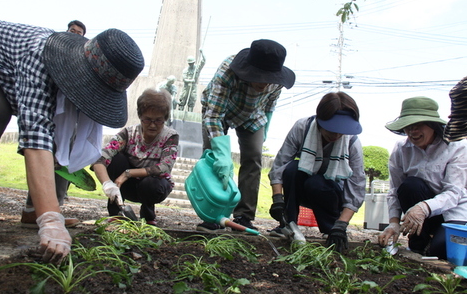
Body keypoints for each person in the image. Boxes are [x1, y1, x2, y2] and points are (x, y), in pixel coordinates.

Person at [0, 18, 144, 264]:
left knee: (65, 131)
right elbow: (35, 137)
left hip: (1, 70)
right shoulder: (39, 58)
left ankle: (34, 210)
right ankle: (44, 211)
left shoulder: (84, 64)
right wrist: (51, 221)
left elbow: (63, 137)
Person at [196, 39, 295, 232]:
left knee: (254, 158)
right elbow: (214, 115)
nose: (265, 83)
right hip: (220, 112)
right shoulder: (228, 72)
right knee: (212, 159)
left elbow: (269, 105)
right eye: (260, 76)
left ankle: (243, 216)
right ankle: (212, 215)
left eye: (270, 78)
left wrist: (265, 126)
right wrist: (221, 154)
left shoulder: (276, 83)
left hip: (252, 115)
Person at [267, 92, 365, 253]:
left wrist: (341, 225)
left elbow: (356, 189)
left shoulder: (352, 142)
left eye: (341, 131)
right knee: (292, 169)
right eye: (332, 129)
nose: (337, 135)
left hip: (330, 194)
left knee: (316, 183)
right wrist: (278, 199)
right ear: (320, 121)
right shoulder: (303, 127)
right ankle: (288, 225)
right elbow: (280, 166)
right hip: (302, 188)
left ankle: (332, 229)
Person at [378, 96, 467, 259]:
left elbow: (454, 193)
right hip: (419, 211)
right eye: (408, 126)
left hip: (452, 211)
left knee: (443, 250)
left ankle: (433, 243)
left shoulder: (457, 147)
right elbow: (395, 191)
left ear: (433, 125)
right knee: (411, 185)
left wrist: (423, 208)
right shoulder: (401, 149)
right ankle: (420, 240)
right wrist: (393, 223)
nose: (413, 132)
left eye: (418, 126)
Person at [21, 19, 90, 228]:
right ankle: (34, 210)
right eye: (72, 31)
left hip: (71, 117)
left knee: (64, 161)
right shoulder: (53, 51)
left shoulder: (83, 60)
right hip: (49, 111)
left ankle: (53, 208)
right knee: (45, 153)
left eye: (80, 33)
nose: (75, 34)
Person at [91, 88, 179, 226]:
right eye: (147, 120)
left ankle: (148, 214)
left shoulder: (170, 137)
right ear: (140, 116)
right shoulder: (128, 133)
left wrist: (128, 173)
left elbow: (165, 167)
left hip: (152, 186)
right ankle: (117, 212)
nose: (152, 125)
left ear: (165, 118)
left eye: (158, 120)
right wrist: (107, 183)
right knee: (116, 160)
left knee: (150, 184)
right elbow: (100, 158)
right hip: (125, 186)